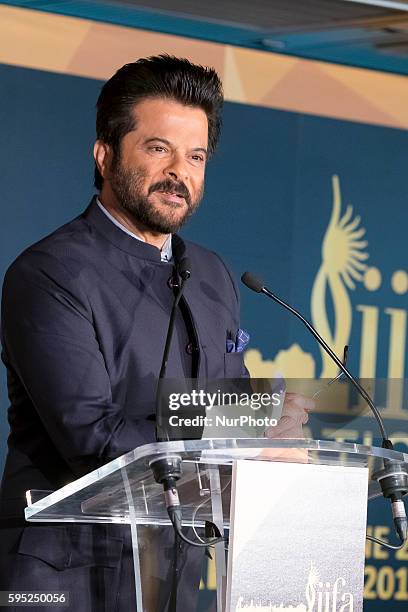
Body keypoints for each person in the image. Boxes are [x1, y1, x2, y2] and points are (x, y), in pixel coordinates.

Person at [0, 55, 312, 610]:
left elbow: (226, 404)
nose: (180, 172)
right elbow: (92, 441)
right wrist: (242, 448)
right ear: (104, 153)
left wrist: (274, 418)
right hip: (64, 578)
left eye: (196, 156)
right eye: (158, 148)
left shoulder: (213, 275)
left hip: (174, 571)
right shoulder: (49, 272)